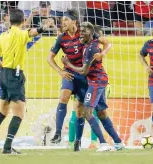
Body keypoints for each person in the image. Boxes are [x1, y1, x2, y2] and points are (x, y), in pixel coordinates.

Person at [0, 9, 53, 154]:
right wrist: (44, 27)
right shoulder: (20, 34)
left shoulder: (3, 35)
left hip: (5, 74)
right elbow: (32, 32)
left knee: (3, 111)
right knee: (19, 113)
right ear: (22, 21)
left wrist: (3, 66)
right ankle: (7, 147)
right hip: (15, 75)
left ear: (10, 20)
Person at [47, 9, 111, 144]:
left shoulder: (84, 32)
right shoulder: (61, 38)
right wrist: (61, 71)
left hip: (85, 74)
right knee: (64, 96)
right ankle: (58, 133)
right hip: (70, 73)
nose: (62, 22)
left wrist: (103, 53)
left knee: (80, 110)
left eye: (65, 20)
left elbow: (107, 43)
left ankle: (79, 141)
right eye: (62, 20)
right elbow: (49, 58)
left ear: (74, 21)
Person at [62, 22, 124, 152]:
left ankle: (103, 143)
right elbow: (107, 44)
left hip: (96, 81)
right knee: (101, 113)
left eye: (84, 31)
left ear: (91, 33)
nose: (81, 34)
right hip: (99, 80)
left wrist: (68, 64)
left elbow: (84, 71)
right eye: (80, 31)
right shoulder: (89, 44)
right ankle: (118, 142)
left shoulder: (91, 48)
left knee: (86, 112)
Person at [68, 25, 106, 149]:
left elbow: (108, 44)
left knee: (93, 111)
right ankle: (74, 142)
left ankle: (96, 142)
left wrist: (103, 52)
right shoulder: (80, 41)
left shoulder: (94, 47)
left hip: (93, 80)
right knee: (78, 110)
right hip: (81, 80)